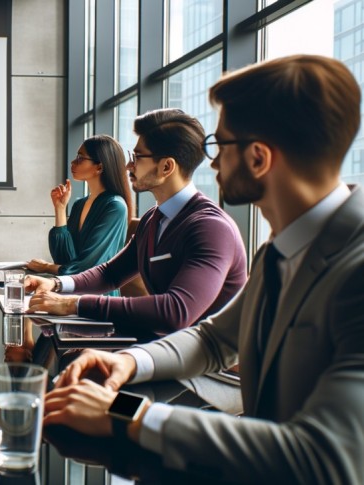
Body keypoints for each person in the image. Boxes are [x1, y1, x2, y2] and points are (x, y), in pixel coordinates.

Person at [44, 55, 364, 483]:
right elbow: (216, 339)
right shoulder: (281, 249)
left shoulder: (356, 269)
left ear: (258, 158)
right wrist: (128, 363)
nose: (210, 161)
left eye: (219, 145)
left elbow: (322, 455)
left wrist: (131, 417)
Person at [26, 108, 247, 335]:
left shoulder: (211, 228)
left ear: (166, 167)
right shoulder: (154, 218)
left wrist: (72, 304)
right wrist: (57, 284)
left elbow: (175, 312)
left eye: (138, 158)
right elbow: (110, 274)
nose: (129, 166)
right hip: (171, 348)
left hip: (212, 365)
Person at [27, 135, 133, 297]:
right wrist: (60, 209)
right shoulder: (79, 204)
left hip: (98, 298)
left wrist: (47, 267)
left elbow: (88, 268)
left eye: (80, 158)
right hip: (71, 291)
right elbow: (63, 259)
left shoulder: (115, 207)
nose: (73, 162)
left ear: (99, 167)